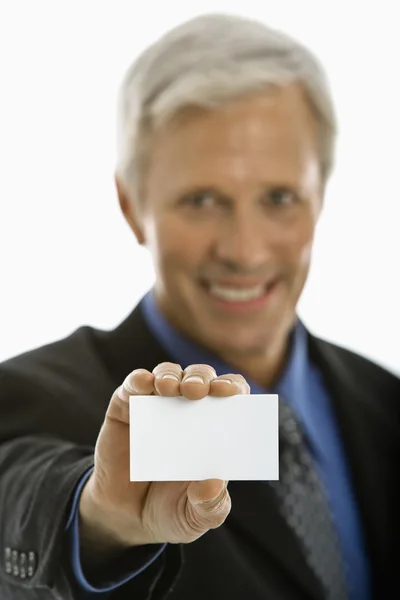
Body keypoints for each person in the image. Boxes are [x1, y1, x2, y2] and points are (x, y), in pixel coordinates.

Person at [0, 12, 398, 600]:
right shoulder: (32, 395)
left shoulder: (385, 404)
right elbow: (20, 495)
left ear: (320, 197)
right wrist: (99, 522)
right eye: (202, 200)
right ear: (132, 206)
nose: (244, 250)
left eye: (280, 198)